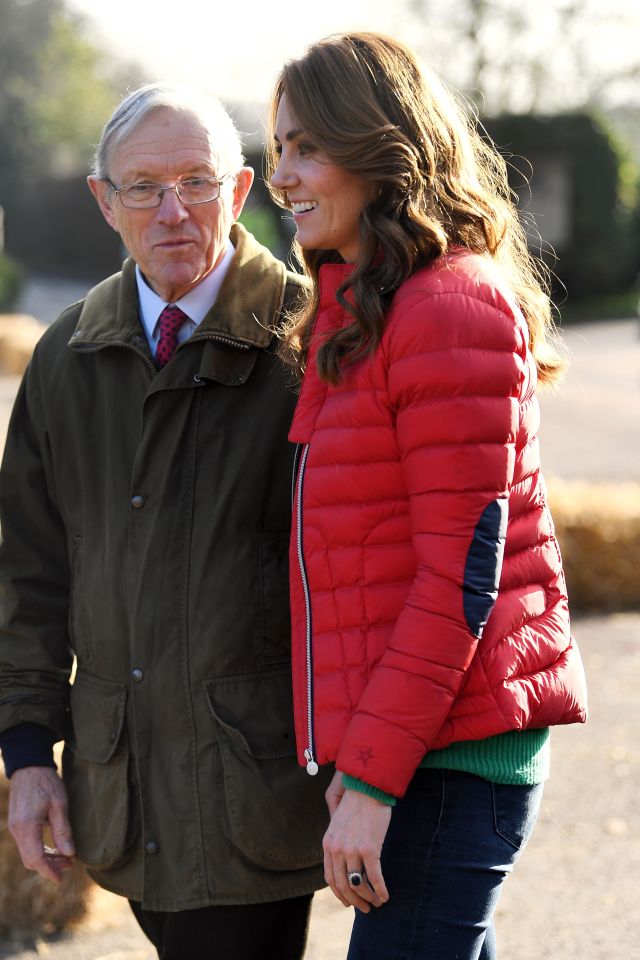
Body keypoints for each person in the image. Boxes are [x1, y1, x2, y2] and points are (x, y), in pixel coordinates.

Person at [266, 32, 588, 960]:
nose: (281, 173)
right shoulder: (363, 309)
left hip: (451, 758)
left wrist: (371, 779)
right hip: (418, 748)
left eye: (306, 147)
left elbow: (459, 578)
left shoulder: (448, 306)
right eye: (277, 145)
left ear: (379, 149)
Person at [0, 82, 333, 960]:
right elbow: (27, 578)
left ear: (243, 189)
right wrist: (29, 755)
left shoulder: (312, 345)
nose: (172, 209)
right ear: (104, 202)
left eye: (197, 179)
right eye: (143, 187)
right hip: (125, 789)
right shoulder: (64, 360)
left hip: (260, 790)